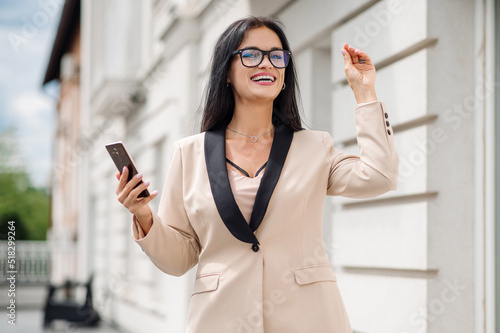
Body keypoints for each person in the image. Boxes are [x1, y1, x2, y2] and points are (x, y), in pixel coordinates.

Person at [115, 16, 398, 333]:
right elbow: (178, 259)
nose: (267, 64)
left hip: (309, 319)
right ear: (226, 72)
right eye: (251, 54)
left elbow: (379, 176)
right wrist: (143, 215)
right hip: (221, 320)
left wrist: (365, 94)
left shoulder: (315, 147)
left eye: (276, 56)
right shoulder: (189, 153)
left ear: (285, 74)